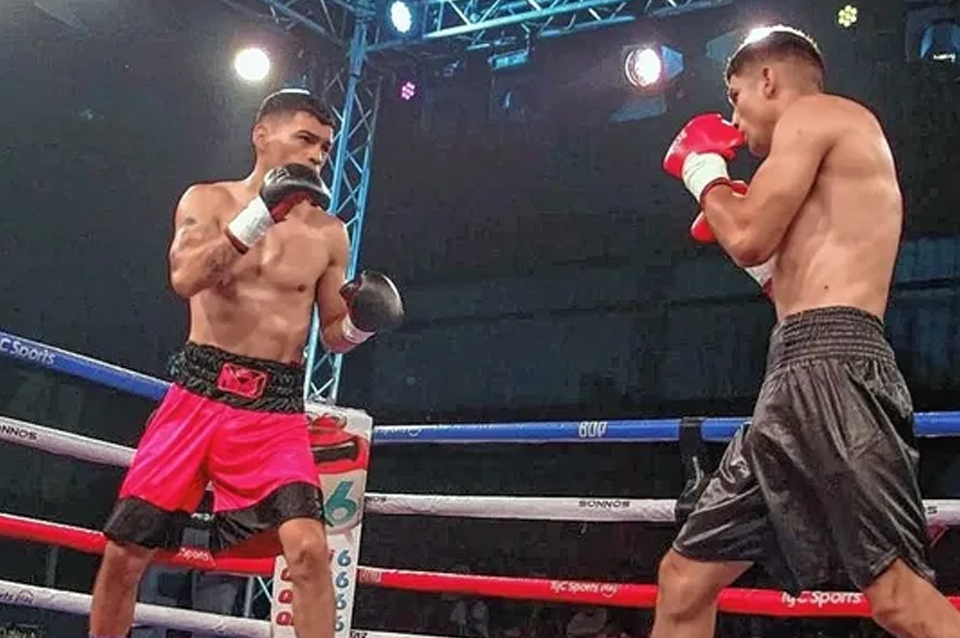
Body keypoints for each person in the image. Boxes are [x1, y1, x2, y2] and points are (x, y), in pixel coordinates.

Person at [658, 26, 960, 638]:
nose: (733, 121)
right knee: (684, 580)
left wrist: (702, 170)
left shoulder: (814, 115)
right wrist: (731, 212)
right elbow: (779, 275)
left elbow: (747, 236)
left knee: (897, 597)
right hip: (793, 371)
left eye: (736, 97)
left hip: (833, 364)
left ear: (768, 79)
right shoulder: (825, 158)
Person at [88, 88, 404, 638]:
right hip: (197, 393)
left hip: (273, 410)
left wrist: (362, 322)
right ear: (261, 135)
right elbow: (186, 277)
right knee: (124, 553)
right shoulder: (207, 201)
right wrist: (261, 215)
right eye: (305, 139)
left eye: (325, 148)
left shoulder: (329, 233)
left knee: (309, 553)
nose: (317, 155)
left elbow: (333, 335)